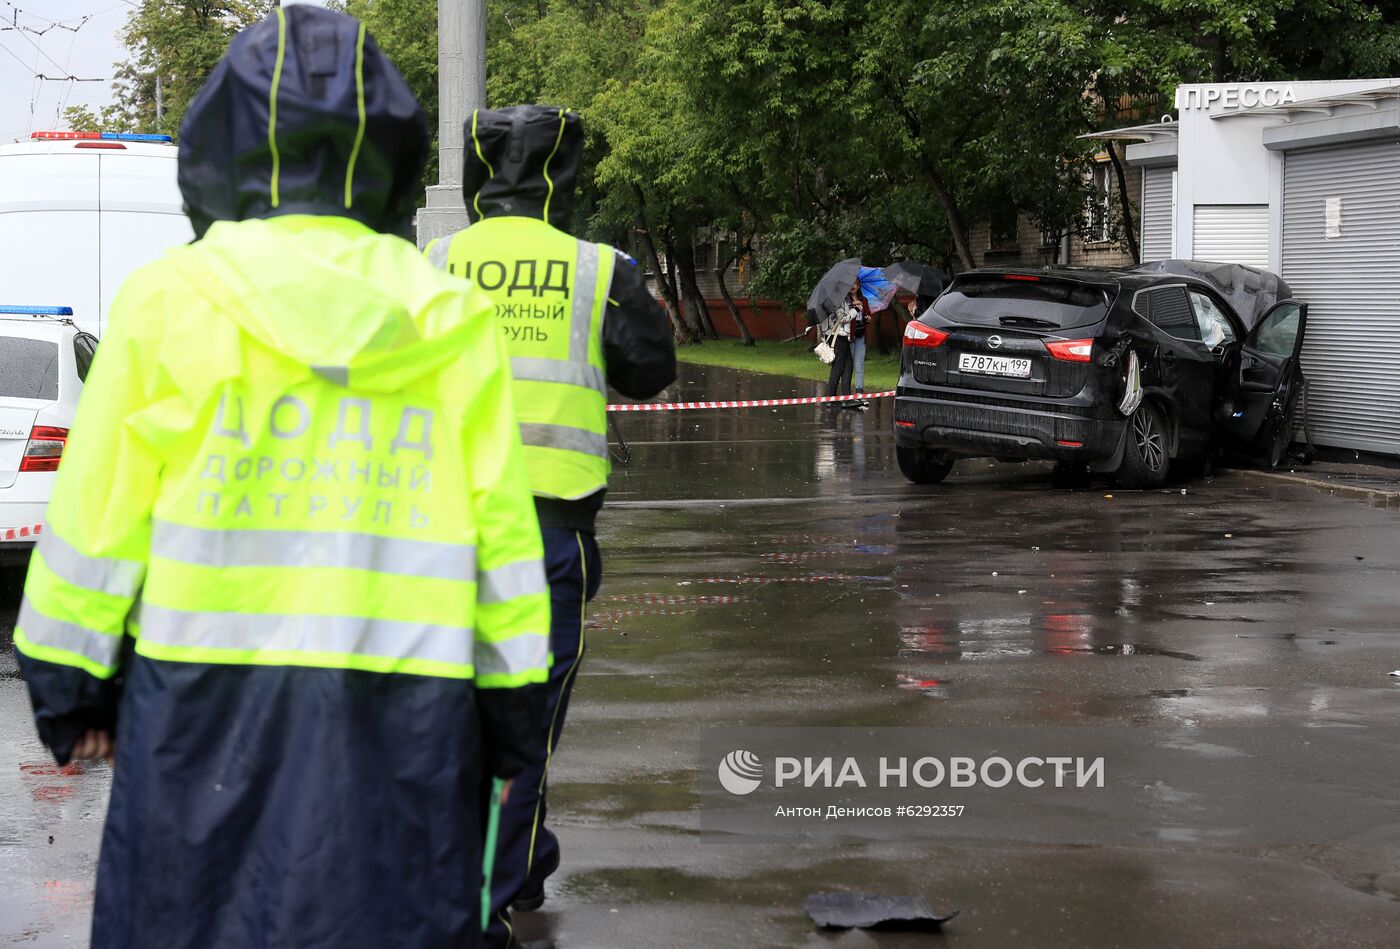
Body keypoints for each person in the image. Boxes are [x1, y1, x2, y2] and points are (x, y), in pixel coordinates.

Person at [13, 8, 549, 948]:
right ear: (388, 150)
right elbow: (503, 545)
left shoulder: (165, 301)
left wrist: (70, 689)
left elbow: (93, 522)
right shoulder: (448, 316)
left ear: (218, 142)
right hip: (403, 720)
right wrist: (511, 716)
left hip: (196, 716)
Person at [426, 105, 675, 948]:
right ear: (565, 178)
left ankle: (524, 862)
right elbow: (650, 371)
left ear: (476, 177)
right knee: (522, 720)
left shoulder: (432, 265)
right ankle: (479, 906)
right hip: (546, 532)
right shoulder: (600, 268)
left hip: (437, 532)